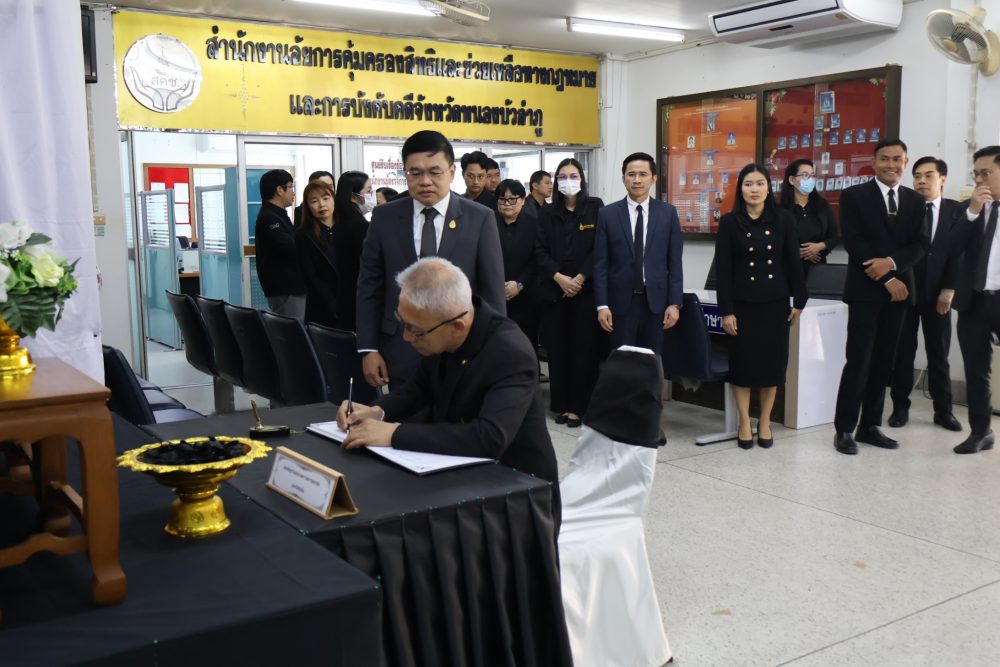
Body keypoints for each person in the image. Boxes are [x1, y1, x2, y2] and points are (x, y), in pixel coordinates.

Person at [336, 257, 559, 510]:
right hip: (460, 479)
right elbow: (417, 391)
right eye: (403, 323)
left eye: (415, 330)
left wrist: (394, 434)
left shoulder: (510, 352)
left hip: (517, 493)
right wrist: (377, 411)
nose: (407, 337)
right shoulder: (439, 330)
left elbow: (489, 437)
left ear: (457, 326)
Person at [356, 130, 506, 390]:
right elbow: (369, 286)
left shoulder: (480, 218)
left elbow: (492, 293)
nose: (425, 181)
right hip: (400, 348)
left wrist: (493, 350)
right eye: (415, 173)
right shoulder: (384, 218)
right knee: (405, 413)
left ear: (452, 172)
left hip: (461, 349)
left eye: (435, 172)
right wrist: (368, 349)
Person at [833, 139, 926, 455]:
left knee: (884, 362)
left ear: (905, 162)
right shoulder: (854, 196)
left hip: (900, 294)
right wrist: (887, 277)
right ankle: (845, 428)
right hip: (865, 292)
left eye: (897, 159)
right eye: (884, 159)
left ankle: (870, 426)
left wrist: (893, 264)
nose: (891, 165)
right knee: (859, 361)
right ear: (873, 162)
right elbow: (854, 241)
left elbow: (920, 244)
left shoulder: (916, 200)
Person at [714, 163, 807, 449]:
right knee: (743, 367)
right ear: (740, 190)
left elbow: (793, 262)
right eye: (748, 184)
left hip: (774, 304)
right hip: (742, 305)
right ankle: (744, 421)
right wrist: (726, 310)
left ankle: (764, 421)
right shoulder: (730, 222)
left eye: (759, 183)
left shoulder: (784, 219)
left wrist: (799, 300)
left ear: (769, 188)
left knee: (772, 367)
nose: (754, 189)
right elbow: (723, 271)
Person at [888, 157, 962, 431]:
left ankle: (944, 411)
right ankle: (900, 408)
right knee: (903, 353)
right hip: (906, 292)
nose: (921, 181)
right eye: (917, 175)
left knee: (938, 354)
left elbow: (959, 253)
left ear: (942, 178)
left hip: (939, 294)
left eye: (928, 175)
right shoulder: (905, 209)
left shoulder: (956, 211)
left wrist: (949, 288)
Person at [536, 157, 605, 427]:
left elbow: (599, 247)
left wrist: (579, 278)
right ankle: (561, 405)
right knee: (558, 350)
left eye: (573, 176)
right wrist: (560, 278)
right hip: (555, 290)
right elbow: (539, 250)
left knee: (583, 350)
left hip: (585, 291)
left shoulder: (595, 207)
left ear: (582, 179)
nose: (568, 181)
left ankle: (579, 407)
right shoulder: (547, 212)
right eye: (562, 177)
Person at [594, 151, 683, 350]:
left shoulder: (668, 213)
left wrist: (675, 303)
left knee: (652, 360)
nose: (637, 180)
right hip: (619, 304)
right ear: (623, 179)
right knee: (622, 361)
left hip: (657, 304)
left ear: (653, 179)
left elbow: (675, 262)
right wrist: (602, 305)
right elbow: (601, 263)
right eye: (631, 174)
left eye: (643, 174)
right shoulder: (607, 214)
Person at [948, 145, 1000, 453]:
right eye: (976, 174)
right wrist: (973, 212)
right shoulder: (968, 210)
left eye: (986, 173)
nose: (979, 180)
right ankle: (981, 432)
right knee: (976, 371)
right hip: (974, 301)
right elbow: (950, 248)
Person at [495, 178, 540, 360]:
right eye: (502, 199)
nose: (507, 204)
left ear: (522, 200)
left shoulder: (535, 224)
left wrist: (519, 284)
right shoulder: (488, 222)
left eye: (512, 199)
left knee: (525, 346)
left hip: (526, 297)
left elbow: (537, 260)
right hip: (494, 297)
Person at [255, 169, 307, 320]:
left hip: (289, 287)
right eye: (291, 187)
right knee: (292, 330)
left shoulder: (278, 214)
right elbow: (290, 248)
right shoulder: (269, 217)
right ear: (279, 190)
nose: (293, 192)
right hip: (286, 288)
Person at [780, 159, 839, 276]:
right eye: (805, 175)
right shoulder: (781, 210)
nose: (810, 179)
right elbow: (775, 240)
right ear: (792, 180)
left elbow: (834, 236)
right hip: (789, 270)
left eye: (812, 175)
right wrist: (795, 252)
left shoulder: (822, 206)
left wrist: (819, 246)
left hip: (818, 270)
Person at [294, 179, 339, 327]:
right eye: (314, 201)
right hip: (321, 307)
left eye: (326, 198)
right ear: (307, 206)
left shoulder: (347, 229)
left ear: (333, 199)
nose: (321, 205)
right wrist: (331, 303)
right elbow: (309, 275)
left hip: (349, 303)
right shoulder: (303, 235)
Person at [331, 171, 371, 331]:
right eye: (368, 191)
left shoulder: (339, 222)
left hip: (344, 297)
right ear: (354, 196)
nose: (371, 196)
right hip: (357, 298)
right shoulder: (360, 226)